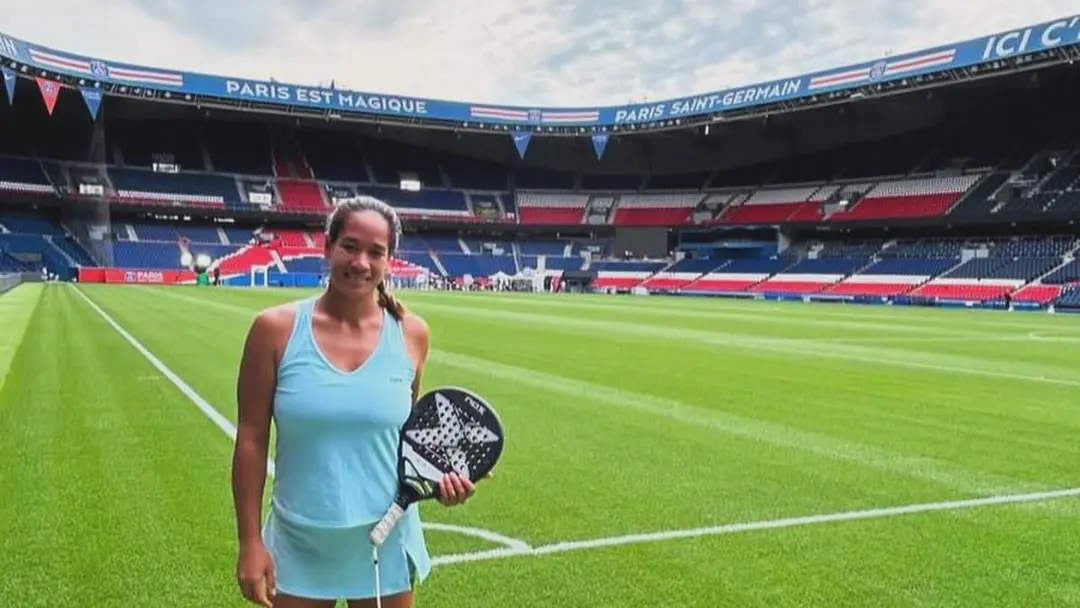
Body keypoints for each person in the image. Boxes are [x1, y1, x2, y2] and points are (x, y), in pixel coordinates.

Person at [230, 196, 476, 608]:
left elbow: (406, 440)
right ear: (327, 246)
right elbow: (251, 439)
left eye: (375, 252)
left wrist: (443, 480)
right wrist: (249, 541)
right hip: (299, 542)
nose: (361, 262)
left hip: (386, 540)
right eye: (349, 246)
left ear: (389, 260)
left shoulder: (412, 334)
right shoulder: (274, 330)